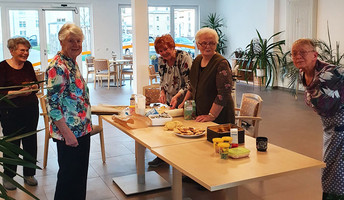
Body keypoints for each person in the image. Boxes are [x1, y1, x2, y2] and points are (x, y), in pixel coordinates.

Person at [291, 39, 344, 200]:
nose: (298, 56)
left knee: (337, 172)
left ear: (315, 55)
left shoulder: (332, 73)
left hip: (341, 127)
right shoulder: (303, 73)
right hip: (330, 127)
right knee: (330, 169)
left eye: (303, 52)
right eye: (294, 53)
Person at [45, 23, 92, 200]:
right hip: (70, 135)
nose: (76, 44)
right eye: (71, 40)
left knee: (78, 179)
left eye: (79, 40)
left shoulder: (71, 62)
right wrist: (67, 134)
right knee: (68, 180)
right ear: (61, 40)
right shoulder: (58, 67)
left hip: (81, 130)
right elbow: (53, 106)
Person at [148, 34, 193, 168]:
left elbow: (190, 83)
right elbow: (162, 79)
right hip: (170, 99)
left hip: (184, 98)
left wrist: (178, 97)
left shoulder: (183, 57)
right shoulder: (161, 60)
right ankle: (163, 156)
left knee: (181, 129)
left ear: (172, 46)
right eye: (160, 51)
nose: (163, 53)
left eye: (166, 49)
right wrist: (162, 92)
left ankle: (182, 160)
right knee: (166, 130)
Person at [0, 37, 39, 190]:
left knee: (31, 141)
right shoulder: (2, 67)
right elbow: (1, 92)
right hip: (10, 111)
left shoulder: (28, 65)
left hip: (30, 109)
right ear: (12, 51)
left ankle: (29, 173)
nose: (25, 53)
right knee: (12, 143)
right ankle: (9, 176)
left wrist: (34, 87)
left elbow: (35, 85)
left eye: (27, 50)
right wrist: (18, 93)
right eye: (22, 50)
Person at [181, 27, 235, 124]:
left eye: (212, 43)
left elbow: (223, 94)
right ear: (198, 45)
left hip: (219, 118)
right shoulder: (197, 60)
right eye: (204, 43)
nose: (208, 46)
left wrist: (211, 115)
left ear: (216, 44)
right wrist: (183, 105)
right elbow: (192, 87)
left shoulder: (221, 63)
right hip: (201, 115)